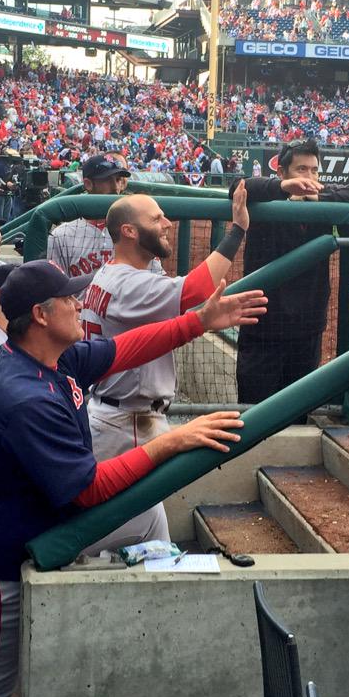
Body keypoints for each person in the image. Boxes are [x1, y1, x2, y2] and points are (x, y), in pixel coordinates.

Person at [0, 261, 266, 697]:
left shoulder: (47, 356)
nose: (80, 302)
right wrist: (169, 442)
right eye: (69, 298)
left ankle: (148, 628)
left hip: (20, 524)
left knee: (147, 516)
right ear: (41, 315)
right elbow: (88, 490)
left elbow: (124, 349)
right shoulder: (24, 396)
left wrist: (199, 322)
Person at [80, 186, 249, 550]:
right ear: (129, 231)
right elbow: (197, 289)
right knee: (116, 530)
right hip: (128, 425)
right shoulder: (129, 284)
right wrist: (237, 230)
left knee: (148, 527)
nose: (168, 223)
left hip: (118, 415)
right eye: (156, 218)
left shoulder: (108, 275)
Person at [233, 139, 349, 411]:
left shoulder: (322, 198)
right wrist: (282, 189)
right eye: (301, 169)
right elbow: (238, 187)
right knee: (253, 412)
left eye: (314, 170)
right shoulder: (267, 198)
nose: (309, 177)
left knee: (297, 414)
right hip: (262, 327)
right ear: (282, 172)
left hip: (307, 328)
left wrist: (321, 199)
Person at [48, 154, 130, 277]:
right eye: (108, 180)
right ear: (88, 184)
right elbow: (55, 284)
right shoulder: (62, 235)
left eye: (118, 180)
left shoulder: (133, 230)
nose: (116, 187)